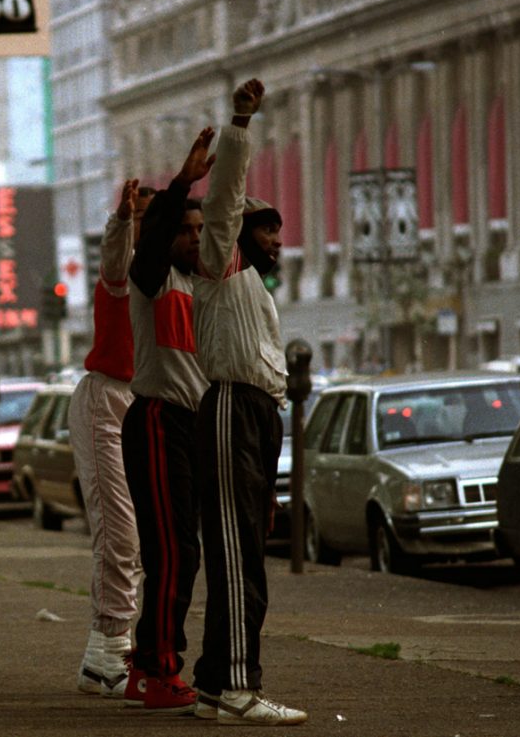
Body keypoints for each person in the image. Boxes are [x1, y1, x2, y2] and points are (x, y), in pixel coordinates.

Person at [190, 79, 308, 726]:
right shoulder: (221, 264)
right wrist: (239, 122)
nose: (275, 239)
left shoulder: (256, 292)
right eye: (265, 229)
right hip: (232, 410)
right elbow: (226, 197)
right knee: (238, 561)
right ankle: (237, 683)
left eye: (278, 230)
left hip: (256, 417)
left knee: (244, 556)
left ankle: (215, 680)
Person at [120, 128, 214, 714]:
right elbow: (151, 240)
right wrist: (182, 183)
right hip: (156, 422)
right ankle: (158, 667)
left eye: (200, 231)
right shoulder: (150, 277)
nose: (194, 238)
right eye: (185, 229)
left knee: (184, 551)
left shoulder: (202, 285)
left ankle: (146, 662)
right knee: (172, 551)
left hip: (192, 428)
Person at [70, 180, 154, 698]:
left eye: (150, 214)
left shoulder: (174, 281)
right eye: (138, 214)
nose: (144, 222)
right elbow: (115, 259)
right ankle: (107, 654)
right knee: (119, 534)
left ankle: (108, 655)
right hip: (108, 402)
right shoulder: (120, 278)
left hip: (149, 403)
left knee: (143, 538)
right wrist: (122, 220)